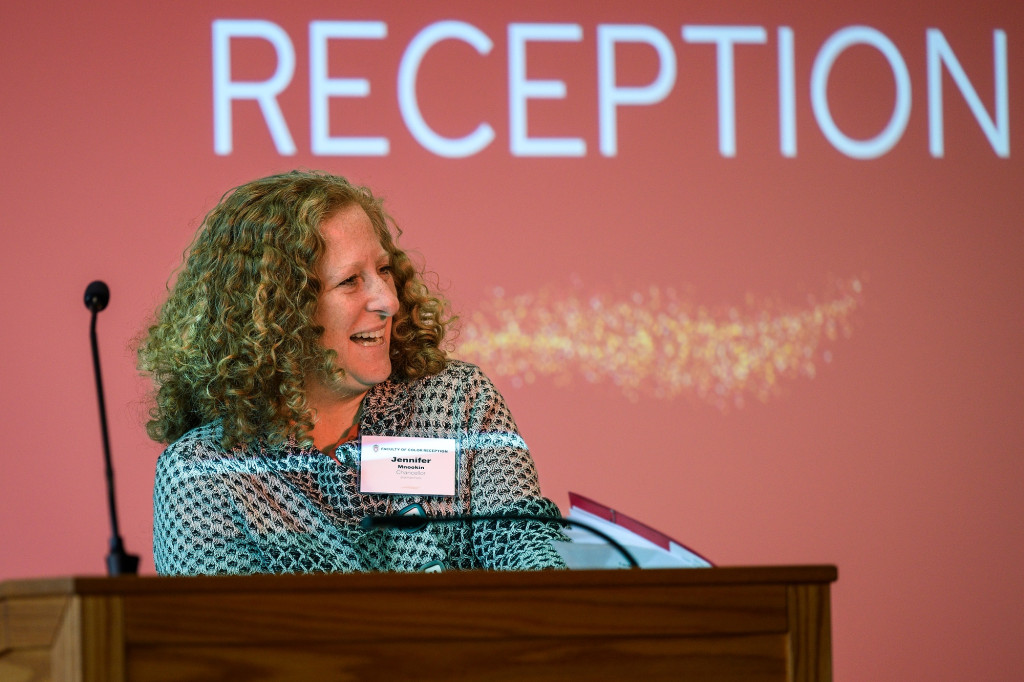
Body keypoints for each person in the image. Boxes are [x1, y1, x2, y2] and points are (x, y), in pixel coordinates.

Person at [138, 170, 566, 575]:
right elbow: (229, 639)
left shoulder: (458, 401)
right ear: (277, 314)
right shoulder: (204, 473)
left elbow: (526, 546)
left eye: (383, 271)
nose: (387, 301)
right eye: (350, 282)